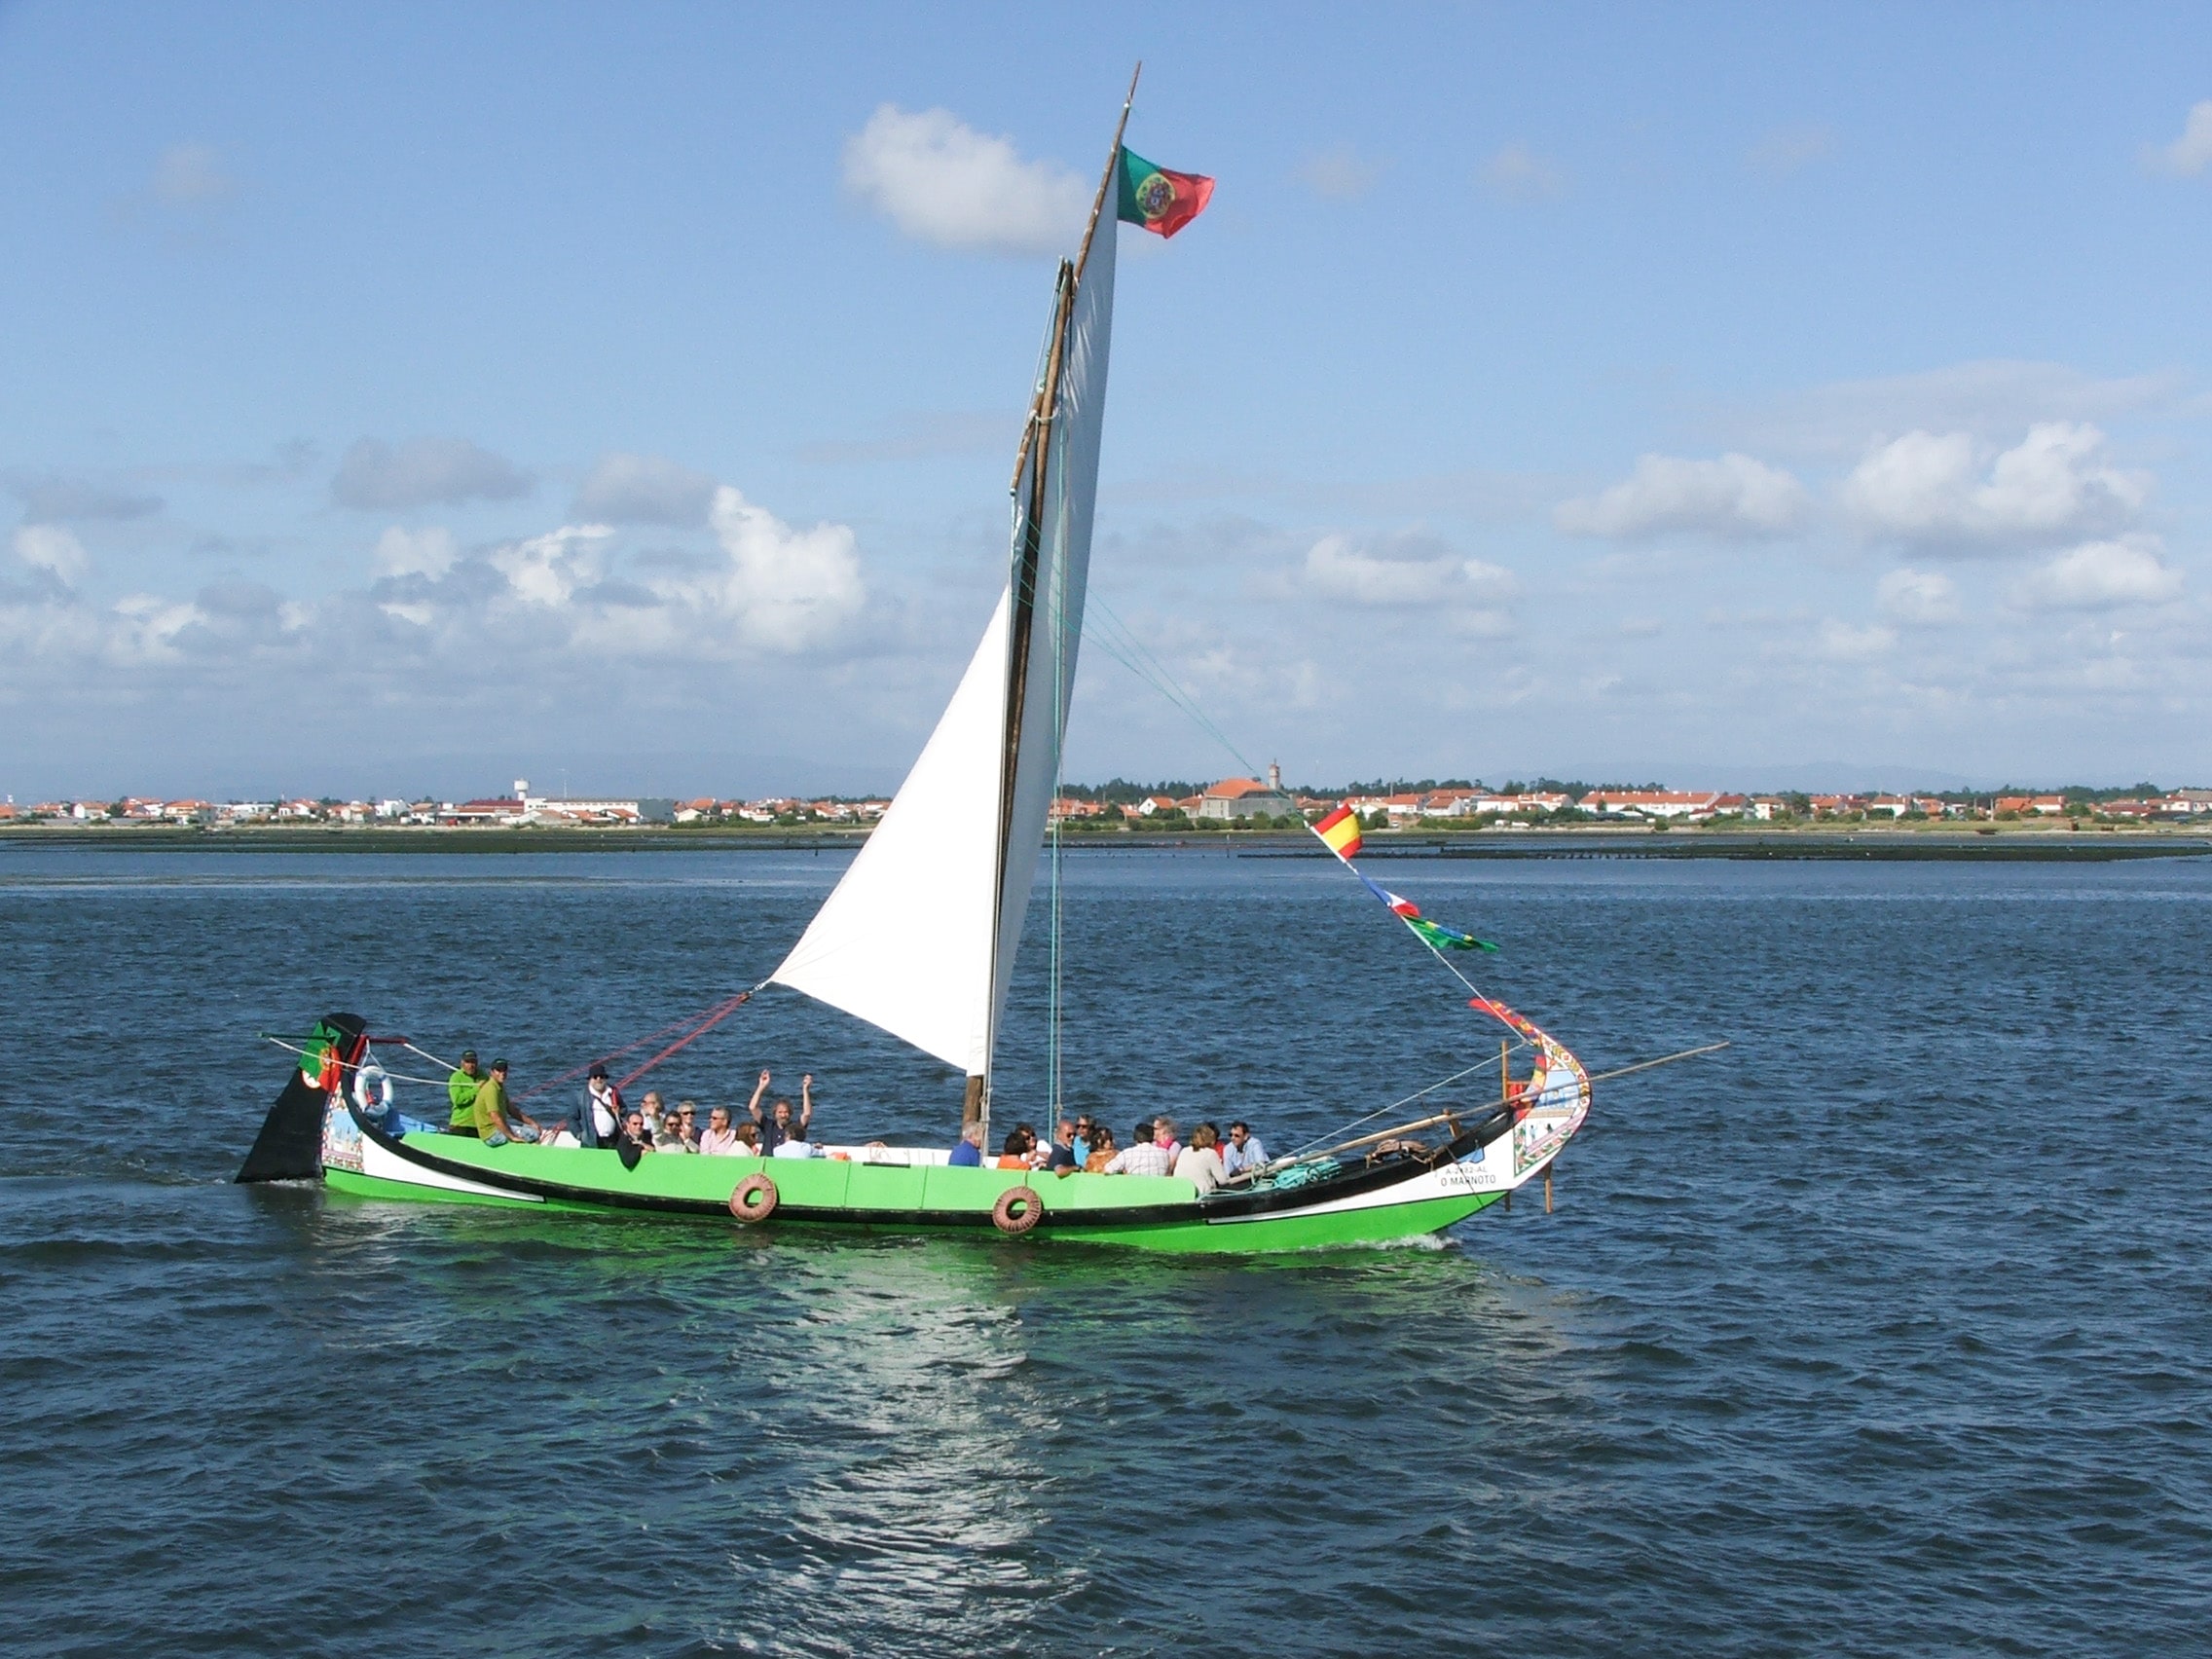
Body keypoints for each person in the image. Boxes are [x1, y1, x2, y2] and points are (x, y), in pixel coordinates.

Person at [473, 1059, 542, 1146]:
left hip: (496, 1130)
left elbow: (511, 1110)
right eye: (498, 1071)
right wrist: (512, 1137)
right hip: (491, 1135)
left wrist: (532, 1123)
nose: (502, 1073)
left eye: (504, 1070)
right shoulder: (491, 1089)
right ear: (492, 1072)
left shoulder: (499, 1087)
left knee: (531, 1128)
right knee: (533, 1134)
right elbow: (495, 1117)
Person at [751, 1070, 814, 1157]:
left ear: (790, 1113)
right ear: (775, 1113)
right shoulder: (768, 1125)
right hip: (767, 1162)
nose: (783, 1115)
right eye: (780, 1112)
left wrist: (805, 1089)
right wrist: (761, 1086)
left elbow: (806, 1114)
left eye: (786, 1112)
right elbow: (753, 1108)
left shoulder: (795, 1127)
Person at [1103, 1118, 1172, 1176]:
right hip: (1157, 1190)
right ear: (1152, 1137)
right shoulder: (1164, 1153)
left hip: (1134, 1190)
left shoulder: (1127, 1154)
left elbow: (1107, 1170)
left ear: (1135, 1139)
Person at [1173, 1123, 1226, 1195]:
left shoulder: (1184, 1151)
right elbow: (1223, 1180)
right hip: (1202, 1194)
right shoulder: (1210, 1153)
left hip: (1181, 1192)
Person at [582, 1063, 623, 1149]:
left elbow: (624, 1110)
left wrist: (619, 1111)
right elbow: (572, 1118)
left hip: (612, 1140)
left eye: (601, 1076)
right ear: (589, 1079)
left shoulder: (613, 1093)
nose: (598, 1079)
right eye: (595, 1077)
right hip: (592, 1142)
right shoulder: (581, 1096)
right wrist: (580, 1135)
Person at [445, 1050, 485, 1134]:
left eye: (473, 1062)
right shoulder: (456, 1077)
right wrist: (477, 1089)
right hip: (461, 1124)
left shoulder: (483, 1076)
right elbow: (457, 1100)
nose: (470, 1065)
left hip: (480, 1125)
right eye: (467, 1062)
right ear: (462, 1063)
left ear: (477, 1063)